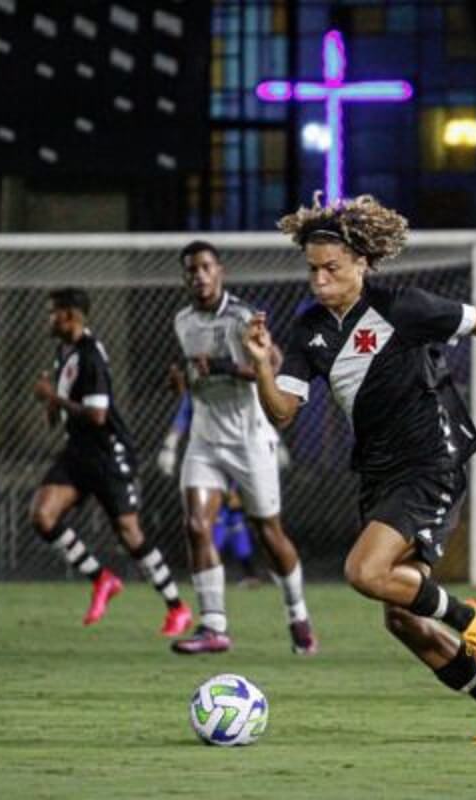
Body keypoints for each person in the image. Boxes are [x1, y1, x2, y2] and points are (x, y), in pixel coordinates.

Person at [243, 194, 476, 743]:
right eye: (313, 270)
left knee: (363, 572)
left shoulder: (402, 308)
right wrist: (261, 366)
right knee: (400, 617)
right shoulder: (309, 330)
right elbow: (282, 412)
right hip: (381, 474)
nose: (320, 280)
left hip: (432, 461)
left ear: (363, 263)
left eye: (332, 268)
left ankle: (470, 617)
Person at [168, 240, 316, 655]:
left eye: (205, 267)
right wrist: (184, 381)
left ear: (220, 272)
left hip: (250, 438)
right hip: (205, 437)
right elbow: (196, 374)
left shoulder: (243, 317)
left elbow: (275, 365)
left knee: (268, 533)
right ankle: (214, 627)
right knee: (197, 525)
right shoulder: (181, 320)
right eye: (191, 269)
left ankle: (297, 613)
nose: (198, 275)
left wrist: (222, 366)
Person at [30, 288, 191, 635]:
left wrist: (53, 397)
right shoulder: (64, 352)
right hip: (77, 453)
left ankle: (177, 608)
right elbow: (56, 418)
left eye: (52, 312)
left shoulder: (91, 355)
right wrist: (49, 401)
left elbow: (99, 414)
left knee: (130, 535)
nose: (48, 319)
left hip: (107, 453)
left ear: (70, 315)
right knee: (42, 516)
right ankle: (102, 578)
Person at [156, 390, 263, 586]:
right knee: (216, 518)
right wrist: (169, 445)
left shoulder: (237, 383)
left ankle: (235, 573)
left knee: (231, 517)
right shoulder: (199, 387)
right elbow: (183, 415)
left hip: (240, 451)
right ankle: (214, 572)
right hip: (207, 454)